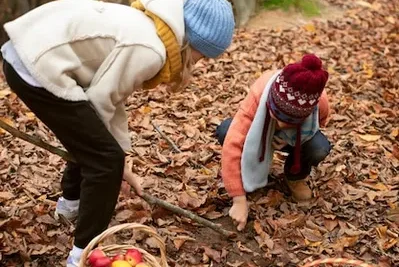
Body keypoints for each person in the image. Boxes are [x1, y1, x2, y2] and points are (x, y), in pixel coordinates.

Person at [1, 0, 235, 265]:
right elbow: (99, 104)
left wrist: (120, 152)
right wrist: (116, 164)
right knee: (104, 160)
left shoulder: (151, 28)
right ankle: (82, 254)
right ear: (191, 43)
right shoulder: (152, 50)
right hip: (37, 65)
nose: (199, 63)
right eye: (202, 55)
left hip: (26, 53)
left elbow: (112, 99)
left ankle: (69, 206)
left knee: (98, 147)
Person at [216, 54, 331, 231]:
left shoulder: (319, 101)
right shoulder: (260, 91)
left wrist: (288, 138)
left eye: (289, 120)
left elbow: (319, 125)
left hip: (295, 139)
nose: (282, 124)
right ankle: (251, 167)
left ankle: (295, 176)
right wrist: (238, 199)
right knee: (225, 130)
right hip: (260, 133)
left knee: (319, 147)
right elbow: (233, 142)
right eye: (276, 115)